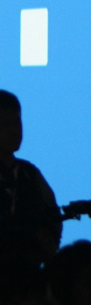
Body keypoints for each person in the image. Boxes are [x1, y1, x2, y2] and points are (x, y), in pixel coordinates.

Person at [0, 90, 61, 263]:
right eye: (5, 124)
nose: (14, 131)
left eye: (16, 123)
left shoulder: (29, 173)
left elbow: (53, 217)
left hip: (29, 273)